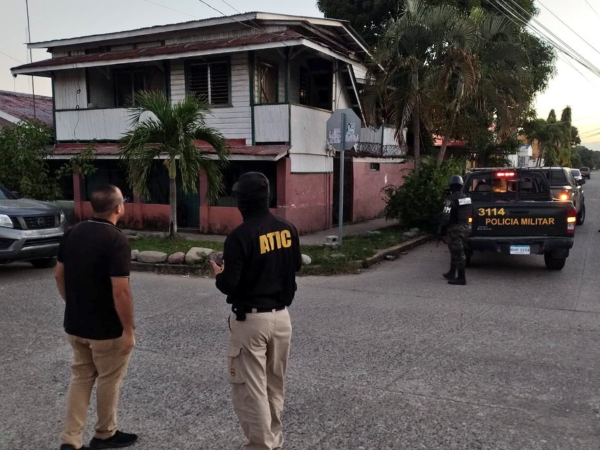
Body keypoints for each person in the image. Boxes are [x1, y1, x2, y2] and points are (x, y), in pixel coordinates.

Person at [210, 172, 302, 450]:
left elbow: (229, 285)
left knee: (251, 391)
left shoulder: (239, 237)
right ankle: (274, 441)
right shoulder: (287, 228)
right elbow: (295, 266)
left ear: (241, 202)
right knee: (274, 385)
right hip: (282, 319)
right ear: (267, 197)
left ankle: (262, 446)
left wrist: (217, 271)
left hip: (251, 322)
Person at [54, 185, 137, 450]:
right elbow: (121, 291)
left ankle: (71, 439)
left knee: (81, 378)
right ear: (118, 207)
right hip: (107, 329)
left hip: (76, 324)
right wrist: (128, 331)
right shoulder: (116, 240)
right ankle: (104, 434)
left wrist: (74, 303)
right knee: (109, 380)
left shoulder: (72, 233)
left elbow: (59, 274)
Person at [439, 175, 471, 286]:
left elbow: (445, 216)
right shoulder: (467, 197)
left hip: (455, 229)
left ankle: (461, 278)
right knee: (454, 250)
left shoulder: (450, 199)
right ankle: (452, 272)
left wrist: (441, 229)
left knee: (459, 252)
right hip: (465, 228)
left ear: (451, 186)